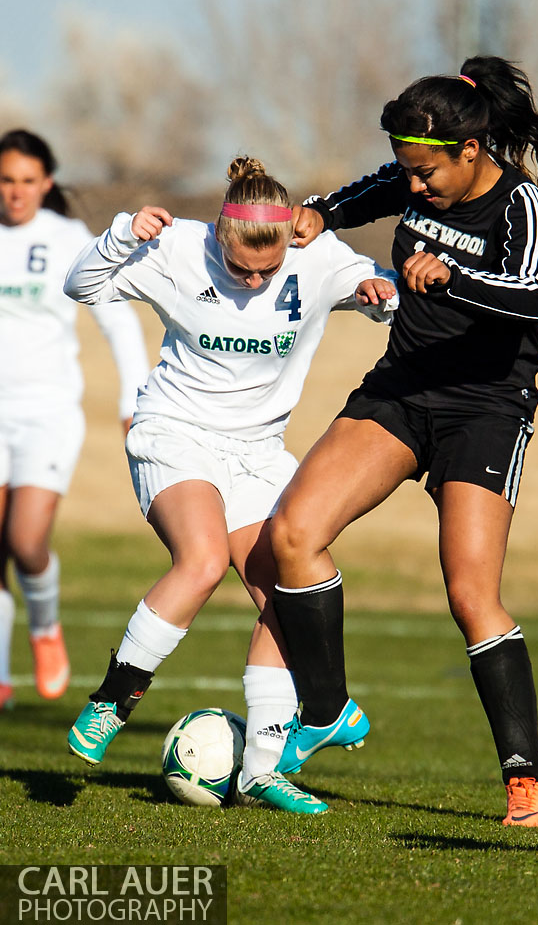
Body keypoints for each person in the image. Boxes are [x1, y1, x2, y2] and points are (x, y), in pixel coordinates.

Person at [269, 56, 538, 827]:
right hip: (400, 389)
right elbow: (372, 189)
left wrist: (449, 278)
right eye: (407, 170)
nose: (414, 186)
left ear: (470, 151)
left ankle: (526, 775)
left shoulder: (518, 204)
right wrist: (321, 211)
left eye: (425, 172)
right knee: (292, 535)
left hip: (485, 409)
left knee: (469, 593)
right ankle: (325, 710)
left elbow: (532, 296)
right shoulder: (415, 173)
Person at [63, 156, 397, 813]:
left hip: (257, 452)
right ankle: (111, 702)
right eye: (239, 266)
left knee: (282, 594)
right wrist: (122, 234)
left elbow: (378, 287)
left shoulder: (314, 253)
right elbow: (83, 285)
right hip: (174, 432)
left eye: (264, 271)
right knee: (204, 559)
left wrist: (377, 297)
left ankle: (261, 771)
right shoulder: (177, 247)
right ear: (218, 233)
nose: (251, 280)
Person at [0, 129, 149, 709]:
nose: (16, 193)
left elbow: (116, 318)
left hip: (47, 412)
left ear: (47, 182)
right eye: (6, 180)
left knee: (25, 540)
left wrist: (131, 402)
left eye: (27, 181)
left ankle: (44, 626)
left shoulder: (66, 238)